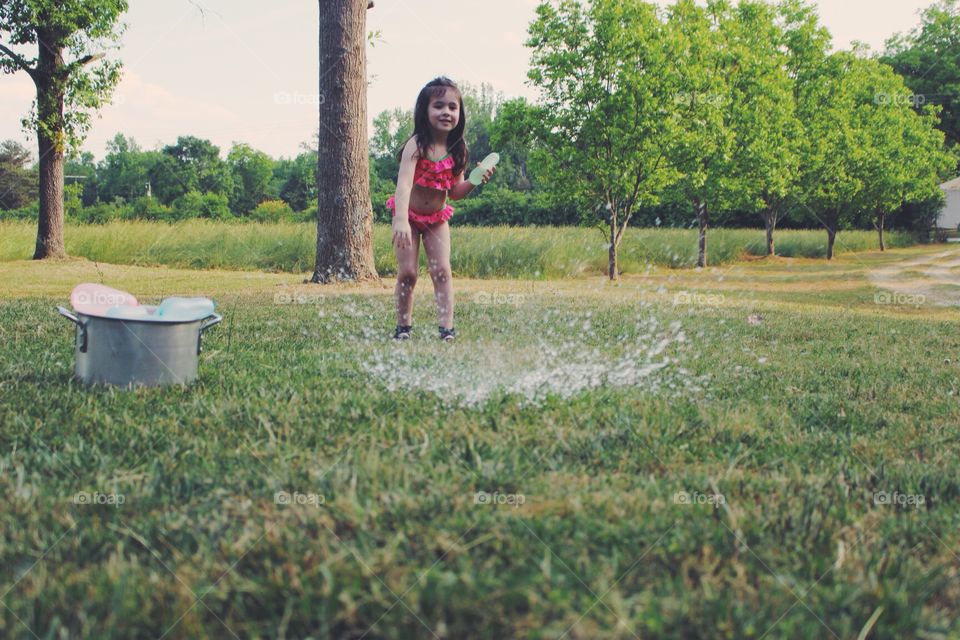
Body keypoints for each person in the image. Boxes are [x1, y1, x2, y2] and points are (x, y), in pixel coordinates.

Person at [388, 77, 495, 342]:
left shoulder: (458, 150)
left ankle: (446, 328)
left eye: (452, 107)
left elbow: (455, 193)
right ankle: (403, 327)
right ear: (425, 111)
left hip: (437, 219)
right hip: (408, 218)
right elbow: (403, 184)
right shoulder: (416, 145)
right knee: (408, 273)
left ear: (460, 113)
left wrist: (474, 179)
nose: (446, 112)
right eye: (438, 106)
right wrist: (401, 220)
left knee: (442, 271)